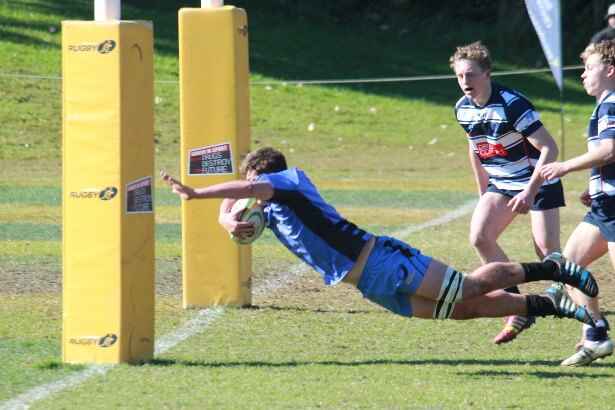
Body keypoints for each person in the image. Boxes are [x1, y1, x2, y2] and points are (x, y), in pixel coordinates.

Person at [160, 146, 598, 334]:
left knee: (467, 288)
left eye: (251, 183)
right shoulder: (271, 208)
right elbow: (234, 208)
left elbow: (246, 193)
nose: (249, 192)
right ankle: (551, 305)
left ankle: (554, 270)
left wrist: (197, 193)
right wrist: (224, 221)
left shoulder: (286, 184)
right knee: (463, 311)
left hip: (382, 260)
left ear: (263, 177)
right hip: (367, 285)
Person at [450, 41, 565, 345]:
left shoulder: (513, 104)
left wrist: (530, 191)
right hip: (501, 182)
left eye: (471, 74)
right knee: (480, 237)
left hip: (537, 178)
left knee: (546, 250)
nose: (465, 82)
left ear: (487, 73)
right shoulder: (462, 109)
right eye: (460, 76)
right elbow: (476, 150)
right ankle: (517, 306)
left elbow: (550, 149)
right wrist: (483, 193)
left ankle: (585, 314)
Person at [540, 40, 615, 366]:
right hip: (603, 205)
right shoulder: (604, 105)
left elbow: (610, 150)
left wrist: (564, 166)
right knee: (567, 267)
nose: (583, 75)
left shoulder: (611, 105)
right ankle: (596, 335)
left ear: (610, 70)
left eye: (589, 68)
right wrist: (594, 185)